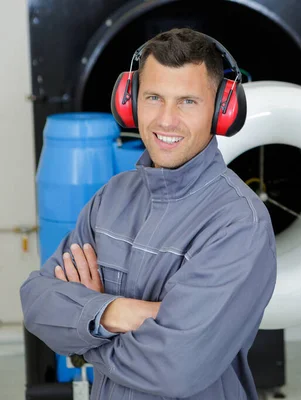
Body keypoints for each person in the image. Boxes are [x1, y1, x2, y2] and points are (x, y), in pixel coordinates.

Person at [20, 28, 277, 400]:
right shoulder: (112, 198)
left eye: (187, 101)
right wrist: (119, 312)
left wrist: (87, 324)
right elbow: (37, 302)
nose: (166, 120)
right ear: (130, 101)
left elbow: (175, 370)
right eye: (154, 97)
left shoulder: (238, 224)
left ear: (222, 110)